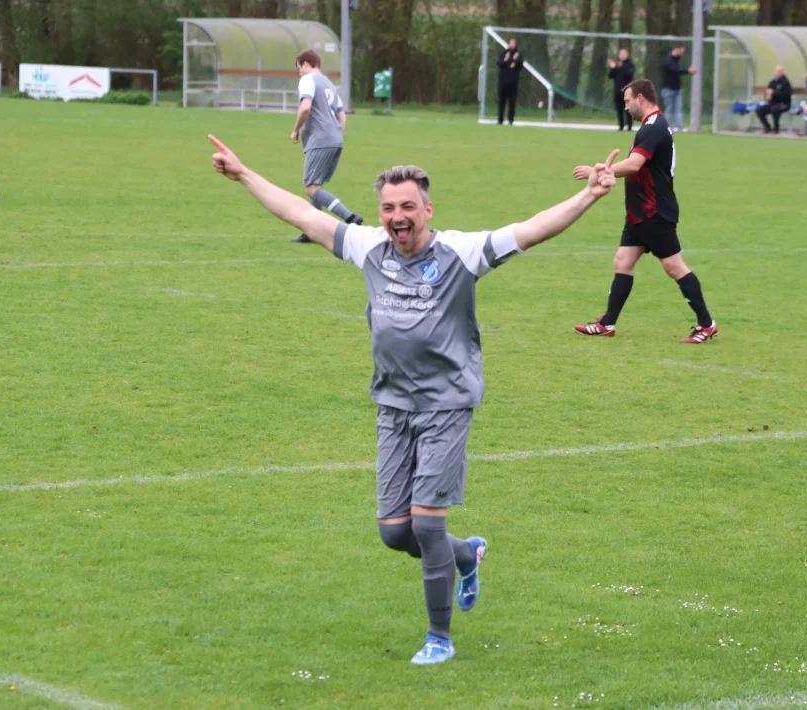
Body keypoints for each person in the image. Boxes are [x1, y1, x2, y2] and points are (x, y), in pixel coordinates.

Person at [207, 134, 619, 664]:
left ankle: (438, 638)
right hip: (392, 404)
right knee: (394, 532)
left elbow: (533, 228)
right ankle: (466, 554)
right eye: (388, 208)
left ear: (427, 209)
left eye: (407, 207)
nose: (397, 217)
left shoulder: (461, 253)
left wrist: (588, 196)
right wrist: (244, 174)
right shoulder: (367, 248)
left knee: (426, 524)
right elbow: (300, 212)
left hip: (447, 403)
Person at [572, 79, 718, 344]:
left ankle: (706, 325)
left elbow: (634, 164)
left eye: (627, 101)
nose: (625, 107)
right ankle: (607, 324)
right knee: (622, 262)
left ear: (641, 98)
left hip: (654, 212)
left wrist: (599, 171)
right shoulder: (651, 126)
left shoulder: (653, 127)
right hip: (640, 212)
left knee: (674, 267)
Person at [290, 49, 362, 243]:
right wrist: (337, 136)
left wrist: (295, 130)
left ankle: (350, 217)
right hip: (335, 139)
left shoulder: (308, 79)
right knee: (316, 185)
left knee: (311, 188)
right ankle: (313, 231)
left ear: (306, 64)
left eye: (299, 68)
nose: (299, 73)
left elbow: (305, 108)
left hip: (320, 139)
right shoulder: (329, 83)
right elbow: (342, 115)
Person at [661, 47, 697, 132]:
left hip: (677, 89)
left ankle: (680, 128)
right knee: (669, 110)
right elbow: (675, 69)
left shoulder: (677, 60)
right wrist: (688, 71)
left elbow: (678, 69)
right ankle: (668, 128)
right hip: (668, 89)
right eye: (681, 51)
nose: (682, 54)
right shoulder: (668, 60)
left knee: (678, 110)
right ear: (676, 49)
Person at [755, 65, 792, 134]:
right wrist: (767, 97)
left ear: (782, 72)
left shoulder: (785, 82)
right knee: (759, 110)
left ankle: (776, 129)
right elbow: (767, 92)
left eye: (779, 71)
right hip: (773, 103)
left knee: (774, 109)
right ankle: (767, 127)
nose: (778, 73)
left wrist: (773, 93)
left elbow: (785, 95)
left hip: (784, 104)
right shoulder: (772, 82)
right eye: (776, 71)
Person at [496, 39, 523, 125]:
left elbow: (517, 66)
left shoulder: (518, 54)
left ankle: (511, 120)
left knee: (512, 102)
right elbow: (499, 63)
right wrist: (505, 59)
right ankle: (500, 119)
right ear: (508, 44)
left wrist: (514, 60)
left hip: (513, 83)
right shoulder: (504, 53)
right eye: (510, 43)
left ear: (515, 44)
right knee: (501, 101)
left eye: (513, 43)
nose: (512, 45)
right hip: (503, 82)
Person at [608, 48, 636, 132]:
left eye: (624, 54)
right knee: (619, 109)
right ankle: (621, 126)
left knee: (628, 109)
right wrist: (613, 68)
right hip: (617, 91)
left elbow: (630, 74)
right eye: (621, 54)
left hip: (627, 91)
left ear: (627, 55)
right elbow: (610, 76)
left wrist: (622, 66)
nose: (622, 56)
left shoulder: (630, 65)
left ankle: (629, 126)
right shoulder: (617, 66)